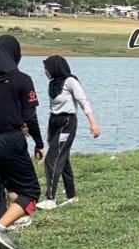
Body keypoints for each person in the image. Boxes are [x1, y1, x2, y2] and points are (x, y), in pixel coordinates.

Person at [0, 35, 44, 249]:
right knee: (31, 193)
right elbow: (30, 117)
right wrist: (39, 142)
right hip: (11, 141)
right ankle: (1, 227)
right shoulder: (22, 80)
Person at [37, 55, 101, 210]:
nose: (45, 72)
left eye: (47, 68)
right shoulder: (53, 84)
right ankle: (71, 196)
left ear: (55, 68)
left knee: (51, 159)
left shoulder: (70, 81)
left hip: (67, 122)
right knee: (62, 159)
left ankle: (50, 199)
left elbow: (83, 100)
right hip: (54, 122)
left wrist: (93, 123)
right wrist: (48, 133)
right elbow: (53, 109)